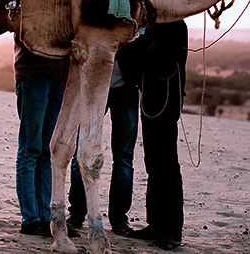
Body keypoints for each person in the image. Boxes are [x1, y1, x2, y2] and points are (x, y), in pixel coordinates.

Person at [118, 20, 188, 251]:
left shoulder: (175, 25)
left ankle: (172, 231)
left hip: (165, 100)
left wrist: (130, 47)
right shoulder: (157, 24)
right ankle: (156, 224)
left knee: (167, 164)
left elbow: (163, 59)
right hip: (152, 98)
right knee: (154, 164)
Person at [66, 57, 139, 237]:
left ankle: (119, 217)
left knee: (124, 157)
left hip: (127, 88)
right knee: (82, 151)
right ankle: (77, 212)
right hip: (92, 86)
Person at [13, 37, 70, 236]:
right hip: (33, 72)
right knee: (31, 148)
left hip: (58, 76)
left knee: (47, 151)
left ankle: (45, 217)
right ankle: (30, 219)